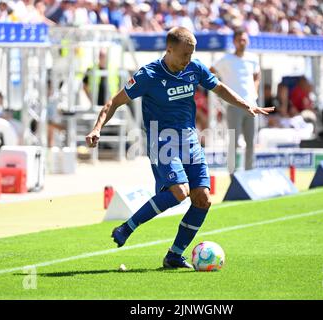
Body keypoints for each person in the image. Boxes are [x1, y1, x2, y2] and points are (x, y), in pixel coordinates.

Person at [86, 27, 274, 269]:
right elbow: (115, 101)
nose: (188, 59)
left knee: (203, 199)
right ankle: (127, 227)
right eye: (185, 54)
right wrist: (97, 128)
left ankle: (174, 255)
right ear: (169, 49)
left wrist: (246, 104)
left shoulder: (195, 68)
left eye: (192, 54)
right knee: (179, 191)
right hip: (161, 140)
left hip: (190, 140)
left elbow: (218, 88)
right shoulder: (149, 74)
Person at [210, 28, 260, 172]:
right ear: (234, 42)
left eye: (244, 39)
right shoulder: (226, 59)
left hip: (251, 104)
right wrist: (219, 90)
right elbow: (210, 71)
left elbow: (257, 76)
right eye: (239, 39)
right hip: (233, 106)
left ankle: (249, 172)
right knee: (234, 142)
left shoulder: (252, 58)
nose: (242, 42)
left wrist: (255, 92)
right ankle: (233, 174)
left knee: (251, 142)